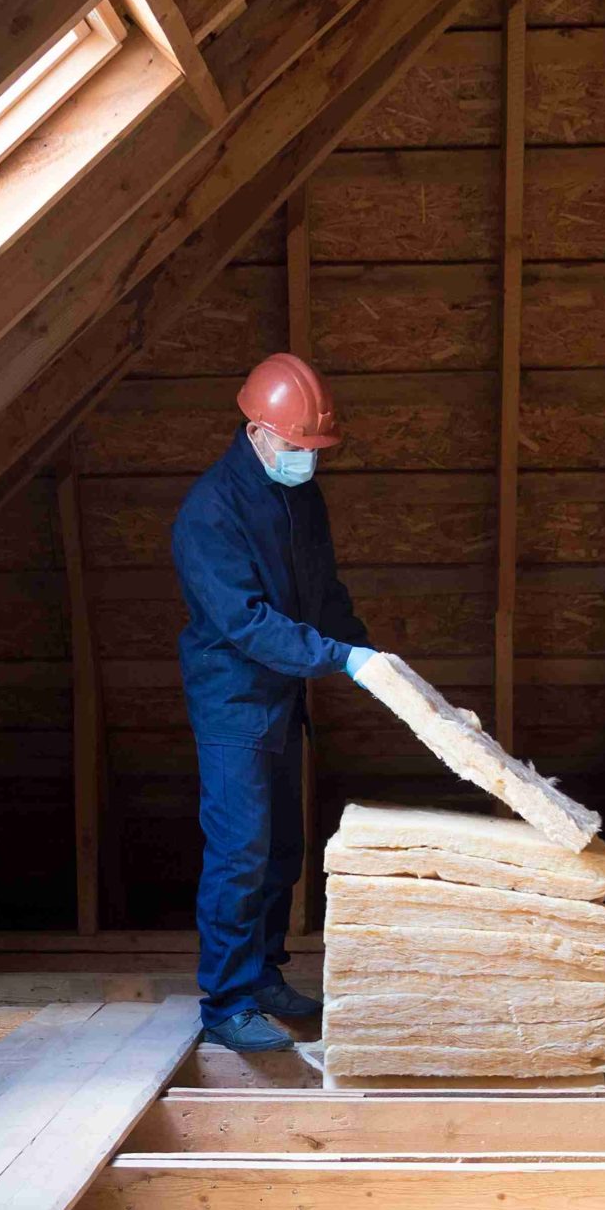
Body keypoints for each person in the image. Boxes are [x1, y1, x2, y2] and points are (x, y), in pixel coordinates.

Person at [170, 352, 376, 1052]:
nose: (305, 461)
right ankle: (226, 1003)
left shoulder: (297, 496)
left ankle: (261, 977)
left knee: (281, 847)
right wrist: (339, 658)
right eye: (294, 448)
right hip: (232, 702)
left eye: (314, 451)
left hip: (280, 697)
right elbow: (247, 623)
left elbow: (323, 594)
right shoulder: (210, 512)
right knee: (239, 850)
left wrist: (368, 654)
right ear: (256, 433)